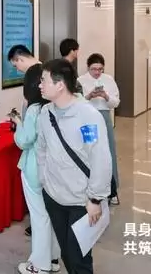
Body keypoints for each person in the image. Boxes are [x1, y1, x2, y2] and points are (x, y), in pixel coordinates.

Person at [37, 59, 111, 274]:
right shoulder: (46, 113)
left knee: (79, 258)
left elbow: (100, 159)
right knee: (67, 255)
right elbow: (41, 149)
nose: (40, 85)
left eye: (44, 80)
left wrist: (95, 199)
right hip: (54, 196)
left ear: (60, 85)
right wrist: (44, 181)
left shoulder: (88, 117)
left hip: (82, 201)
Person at [12, 64, 61, 274]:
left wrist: (18, 122)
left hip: (33, 168)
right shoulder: (55, 106)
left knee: (39, 217)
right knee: (52, 215)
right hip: (53, 168)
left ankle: (39, 265)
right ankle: (53, 258)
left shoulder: (34, 109)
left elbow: (24, 140)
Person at [7, 44, 42, 237]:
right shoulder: (45, 70)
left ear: (19, 58)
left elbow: (25, 139)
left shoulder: (35, 76)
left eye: (15, 65)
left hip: (36, 157)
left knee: (40, 210)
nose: (17, 69)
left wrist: (19, 122)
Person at [78, 53, 121, 205]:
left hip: (104, 116)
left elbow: (116, 102)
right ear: (88, 68)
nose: (97, 72)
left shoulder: (108, 79)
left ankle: (112, 190)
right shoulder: (81, 80)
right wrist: (89, 96)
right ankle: (89, 189)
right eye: (94, 69)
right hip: (87, 118)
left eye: (100, 69)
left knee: (108, 152)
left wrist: (106, 96)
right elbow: (76, 102)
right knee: (89, 152)